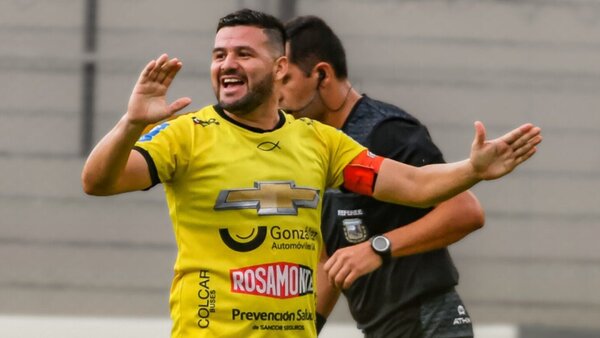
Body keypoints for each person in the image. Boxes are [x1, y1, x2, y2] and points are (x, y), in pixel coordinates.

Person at [81, 8, 541, 338]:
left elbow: (417, 186)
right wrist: (130, 123)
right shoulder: (185, 134)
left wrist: (473, 169)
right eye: (219, 55)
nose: (227, 64)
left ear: (280, 67)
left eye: (243, 53)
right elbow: (98, 182)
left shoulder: (319, 142)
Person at [280, 16, 490, 338]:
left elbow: (465, 210)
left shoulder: (387, 131)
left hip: (429, 322)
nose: (276, 96)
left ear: (322, 75)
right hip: (380, 329)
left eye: (286, 80)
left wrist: (378, 247)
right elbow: (328, 263)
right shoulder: (317, 149)